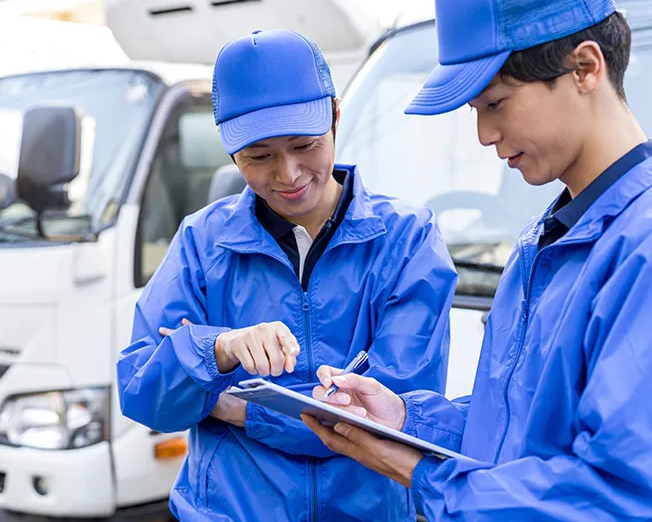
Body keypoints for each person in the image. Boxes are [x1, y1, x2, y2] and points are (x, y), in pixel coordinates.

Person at [303, 0, 652, 520]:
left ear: (585, 68)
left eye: (496, 102)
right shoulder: (542, 243)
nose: (483, 134)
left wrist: (418, 471)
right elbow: (516, 434)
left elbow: (618, 498)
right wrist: (406, 420)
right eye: (476, 110)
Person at [116, 29, 457, 521]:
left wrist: (231, 403)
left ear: (336, 116)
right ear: (230, 150)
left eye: (305, 145)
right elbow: (143, 395)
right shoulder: (202, 241)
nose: (289, 174)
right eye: (259, 156)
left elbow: (390, 417)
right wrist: (221, 349)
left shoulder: (407, 239)